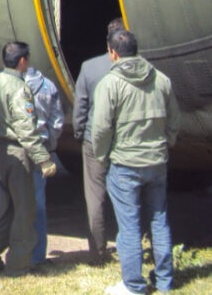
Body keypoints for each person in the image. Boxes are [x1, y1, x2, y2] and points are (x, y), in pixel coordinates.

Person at [92, 29, 181, 295]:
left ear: (113, 52)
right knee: (159, 220)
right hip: (156, 162)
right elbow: (174, 120)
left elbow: (100, 129)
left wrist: (101, 155)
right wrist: (166, 144)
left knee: (129, 226)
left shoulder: (110, 84)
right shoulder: (161, 80)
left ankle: (133, 285)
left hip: (125, 165)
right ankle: (164, 281)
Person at [0, 42, 56, 278]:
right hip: (18, 155)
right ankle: (18, 265)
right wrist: (44, 160)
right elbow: (26, 129)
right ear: (22, 61)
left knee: (4, 211)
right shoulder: (19, 88)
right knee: (25, 212)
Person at [73, 17, 128, 263]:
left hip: (94, 140)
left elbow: (81, 105)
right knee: (128, 194)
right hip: (126, 140)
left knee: (95, 196)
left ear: (108, 42)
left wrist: (78, 133)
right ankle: (131, 246)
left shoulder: (90, 67)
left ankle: (97, 251)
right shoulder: (140, 67)